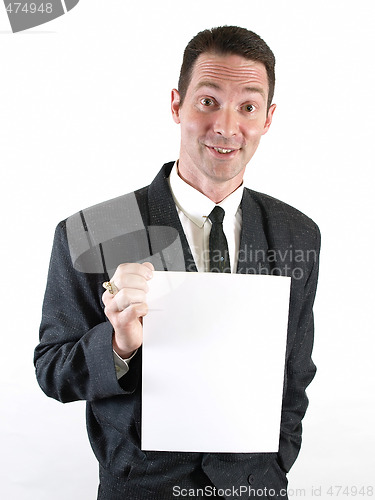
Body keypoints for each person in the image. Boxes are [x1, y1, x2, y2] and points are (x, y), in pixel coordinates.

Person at [35, 26, 320, 499]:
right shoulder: (93, 230)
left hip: (255, 488)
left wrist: (276, 464)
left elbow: (296, 370)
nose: (227, 126)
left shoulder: (296, 233)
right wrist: (118, 346)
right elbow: (52, 368)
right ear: (176, 104)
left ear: (268, 118)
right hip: (141, 489)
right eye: (208, 101)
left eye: (247, 106)